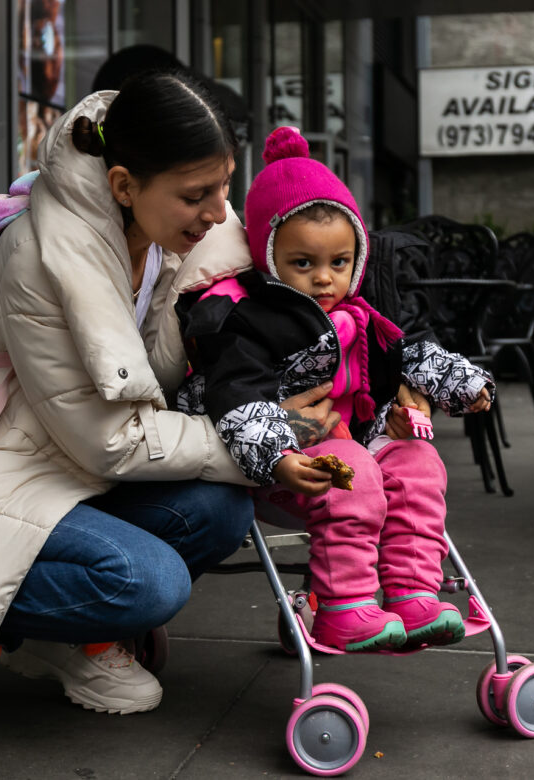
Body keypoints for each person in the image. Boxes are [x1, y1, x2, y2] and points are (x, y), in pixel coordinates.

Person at [0, 76, 341, 756]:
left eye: (224, 185)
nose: (218, 212)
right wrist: (266, 441)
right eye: (196, 195)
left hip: (62, 463)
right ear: (123, 184)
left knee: (222, 511)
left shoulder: (160, 245)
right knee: (147, 582)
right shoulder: (42, 256)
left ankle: (72, 634)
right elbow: (109, 441)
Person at [175, 126, 494, 653]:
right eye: (304, 264)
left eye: (339, 263)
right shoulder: (245, 320)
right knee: (359, 471)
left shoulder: (362, 315)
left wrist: (462, 385)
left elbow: (412, 351)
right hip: (285, 464)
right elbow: (237, 395)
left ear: (357, 257)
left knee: (419, 464)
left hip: (356, 441)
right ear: (270, 256)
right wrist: (275, 454)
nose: (326, 279)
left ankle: (413, 593)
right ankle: (345, 607)